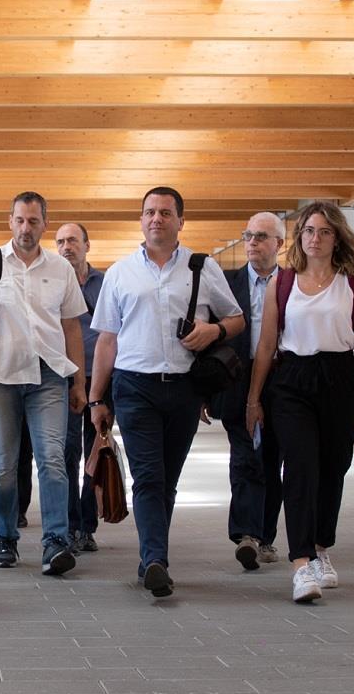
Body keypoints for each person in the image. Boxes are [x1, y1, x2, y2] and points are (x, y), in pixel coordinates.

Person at [88, 187, 244, 599]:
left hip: (185, 387)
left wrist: (214, 330)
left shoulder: (202, 267)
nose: (156, 218)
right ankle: (157, 559)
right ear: (141, 220)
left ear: (180, 221)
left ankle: (151, 560)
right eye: (149, 212)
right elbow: (107, 339)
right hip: (134, 387)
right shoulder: (120, 272)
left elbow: (236, 318)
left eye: (165, 212)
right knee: (149, 477)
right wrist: (96, 399)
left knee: (167, 479)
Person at [246, 202, 354, 603]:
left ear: (337, 237)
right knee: (300, 467)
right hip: (291, 381)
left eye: (324, 231)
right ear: (300, 237)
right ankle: (300, 564)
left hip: (340, 379)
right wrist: (253, 399)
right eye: (309, 231)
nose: (315, 239)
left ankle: (320, 548)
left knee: (334, 468)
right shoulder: (283, 282)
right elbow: (266, 344)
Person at [0, 193, 89, 575]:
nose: (26, 228)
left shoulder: (60, 269)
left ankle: (56, 542)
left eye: (33, 221)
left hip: (49, 376)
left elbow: (71, 327)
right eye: (20, 220)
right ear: (10, 221)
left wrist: (79, 382)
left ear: (45, 224)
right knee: (4, 464)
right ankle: (5, 537)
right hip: (0, 377)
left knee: (53, 459)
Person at [217, 212, 285, 571]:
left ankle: (264, 535)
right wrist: (204, 391)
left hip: (281, 380)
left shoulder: (291, 284)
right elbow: (211, 337)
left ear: (280, 244)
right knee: (245, 457)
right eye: (248, 236)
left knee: (271, 459)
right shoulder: (226, 283)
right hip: (236, 379)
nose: (252, 242)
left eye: (261, 236)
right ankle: (246, 534)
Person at [55, 221, 105, 554]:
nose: (66, 247)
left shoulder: (106, 282)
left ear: (87, 245)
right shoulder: (53, 282)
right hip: (66, 379)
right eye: (60, 242)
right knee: (68, 451)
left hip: (102, 379)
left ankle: (88, 525)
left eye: (73, 240)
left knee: (97, 452)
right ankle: (72, 525)